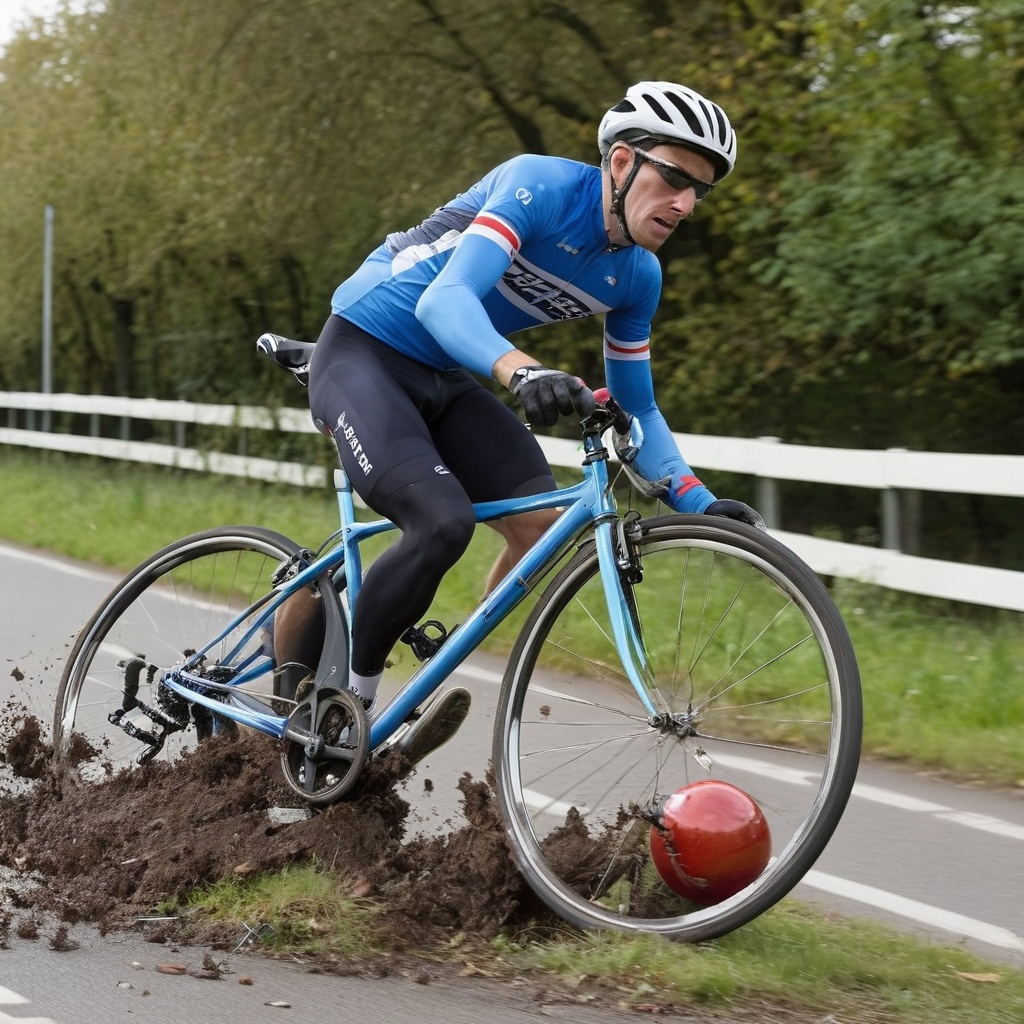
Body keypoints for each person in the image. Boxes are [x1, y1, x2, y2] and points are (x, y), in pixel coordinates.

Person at [274, 81, 765, 756]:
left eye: (699, 190)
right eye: (674, 177)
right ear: (622, 162)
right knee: (441, 522)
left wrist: (702, 503)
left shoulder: (637, 277)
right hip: (363, 348)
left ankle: (429, 674)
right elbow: (444, 301)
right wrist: (522, 370)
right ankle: (346, 716)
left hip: (445, 373)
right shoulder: (540, 187)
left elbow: (639, 408)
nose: (684, 203)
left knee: (540, 530)